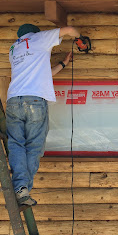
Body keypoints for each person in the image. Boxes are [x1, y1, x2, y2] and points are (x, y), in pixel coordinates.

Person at [7, 23, 88, 206]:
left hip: (13, 101)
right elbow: (69, 29)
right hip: (34, 101)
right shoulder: (38, 38)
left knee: (16, 144)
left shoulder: (14, 48)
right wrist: (80, 39)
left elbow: (43, 74)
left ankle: (20, 188)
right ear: (34, 33)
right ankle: (23, 190)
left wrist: (63, 64)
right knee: (34, 147)